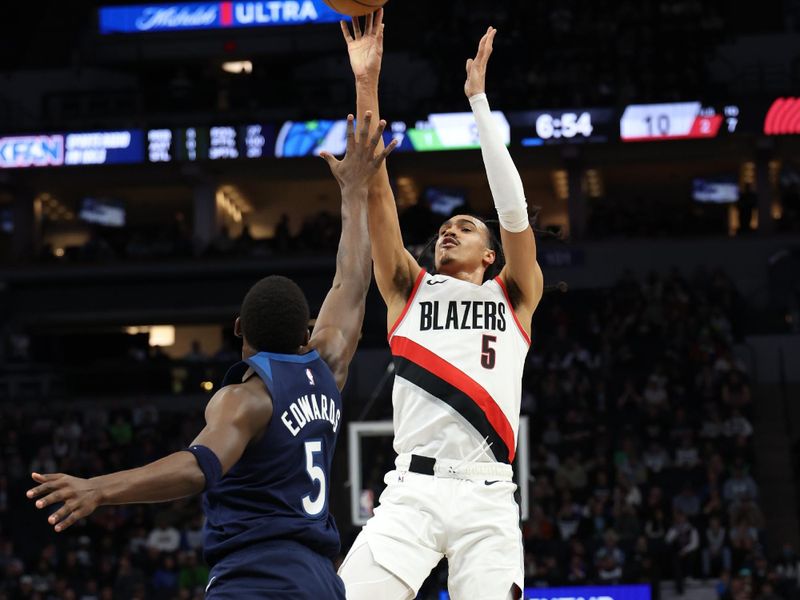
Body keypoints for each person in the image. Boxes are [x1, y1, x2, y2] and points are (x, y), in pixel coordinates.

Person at [26, 114, 398, 599]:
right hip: (321, 581)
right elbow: (351, 281)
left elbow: (197, 466)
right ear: (305, 333)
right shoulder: (328, 368)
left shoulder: (245, 399)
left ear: (239, 328)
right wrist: (352, 191)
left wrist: (99, 489)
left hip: (254, 580)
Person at [337, 12, 543, 600]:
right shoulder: (408, 287)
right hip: (411, 494)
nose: (450, 231)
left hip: (487, 498)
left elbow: (515, 214)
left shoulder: (516, 295)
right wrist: (367, 81)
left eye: (466, 227)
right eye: (447, 226)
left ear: (489, 255)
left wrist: (479, 103)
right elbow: (377, 189)